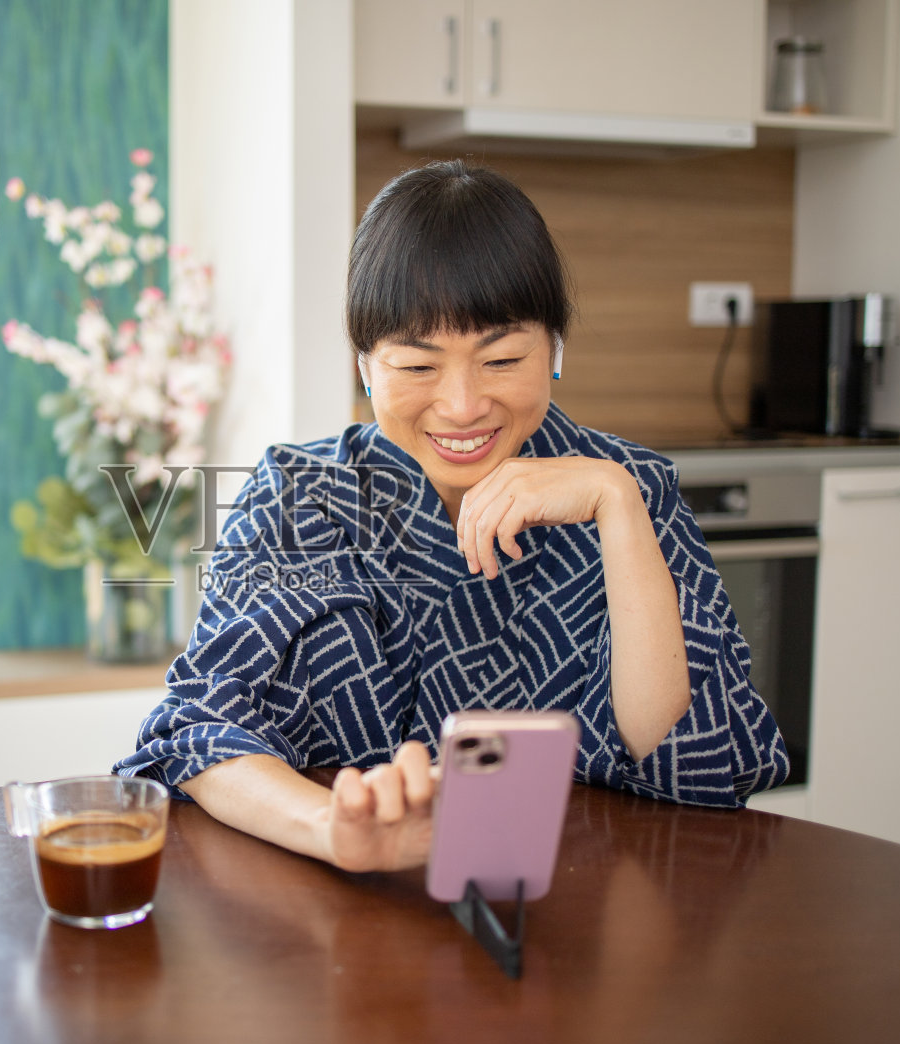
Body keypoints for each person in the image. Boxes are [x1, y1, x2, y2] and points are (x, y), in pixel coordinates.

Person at [114, 159, 788, 873]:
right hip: (332, 903)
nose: (462, 405)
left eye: (501, 360)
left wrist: (617, 508)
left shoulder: (634, 485)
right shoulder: (296, 494)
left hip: (575, 912)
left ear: (554, 348)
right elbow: (201, 730)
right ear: (364, 365)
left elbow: (692, 764)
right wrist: (334, 829)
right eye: (417, 367)